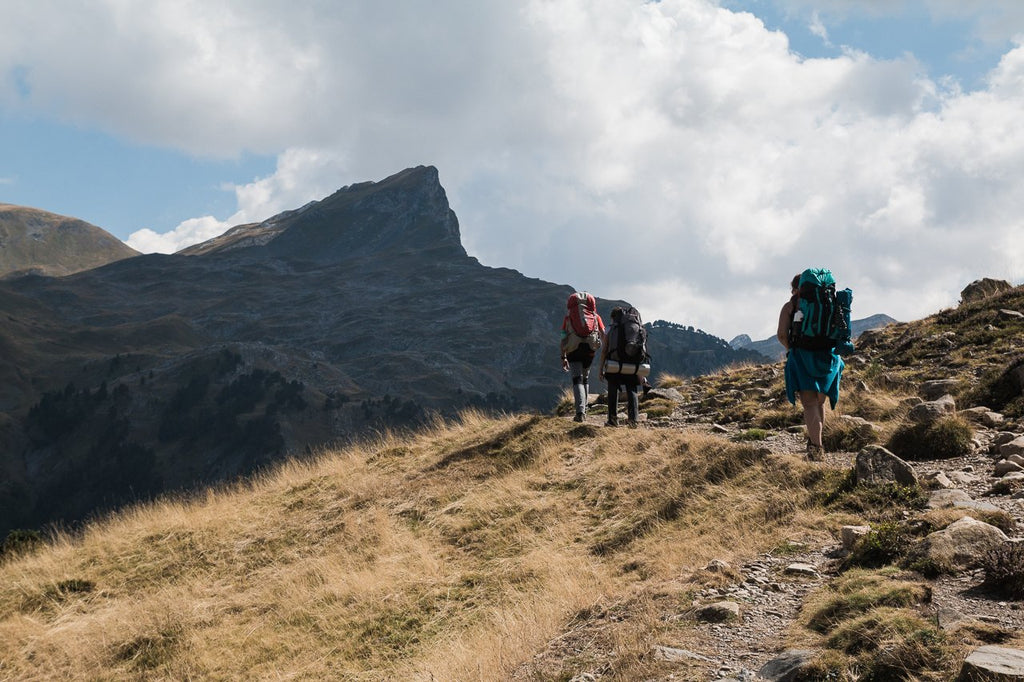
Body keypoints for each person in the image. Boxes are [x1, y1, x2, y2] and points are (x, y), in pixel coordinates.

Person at [777, 273, 845, 460]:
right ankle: (817, 443)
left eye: (793, 288)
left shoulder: (791, 306)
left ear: (799, 288)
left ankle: (816, 449)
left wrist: (791, 348)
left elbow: (782, 334)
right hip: (829, 358)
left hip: (803, 357)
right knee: (819, 402)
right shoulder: (831, 303)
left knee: (809, 404)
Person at [560, 292, 606, 422]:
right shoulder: (596, 317)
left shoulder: (568, 317)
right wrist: (606, 351)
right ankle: (585, 410)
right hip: (590, 351)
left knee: (577, 380)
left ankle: (580, 413)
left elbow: (563, 339)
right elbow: (603, 333)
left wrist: (563, 357)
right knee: (585, 379)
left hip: (573, 351)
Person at [599, 306, 644, 428]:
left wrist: (601, 369)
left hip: (615, 364)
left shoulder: (610, 329)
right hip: (632, 363)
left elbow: (604, 350)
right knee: (632, 389)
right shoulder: (634, 327)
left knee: (613, 390)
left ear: (613, 317)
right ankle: (633, 420)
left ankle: (612, 420)